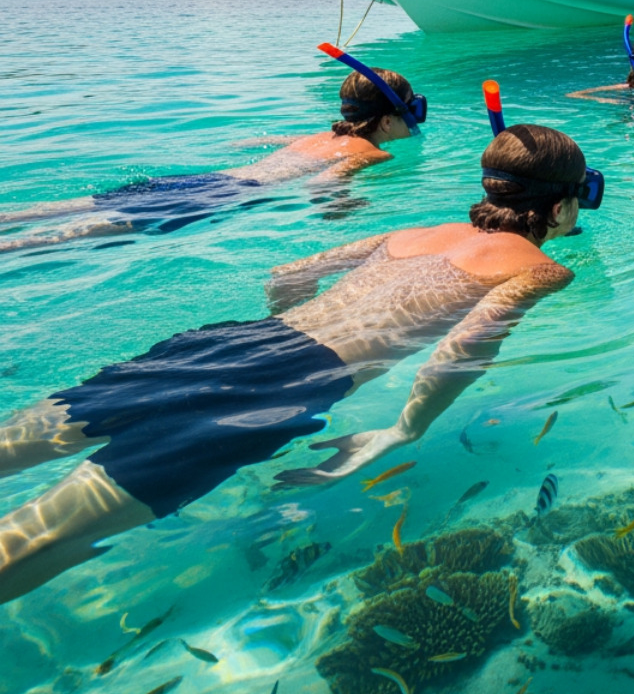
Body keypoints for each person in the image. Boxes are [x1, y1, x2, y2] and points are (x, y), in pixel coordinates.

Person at [0, 123, 601, 603]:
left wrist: (278, 338)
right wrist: (402, 430)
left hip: (221, 345)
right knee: (45, 539)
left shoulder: (413, 234)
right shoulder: (540, 269)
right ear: (559, 208)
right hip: (283, 386)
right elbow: (463, 349)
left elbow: (288, 273)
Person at [0, 50, 424, 252]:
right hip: (227, 195)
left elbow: (260, 142)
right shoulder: (371, 152)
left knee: (77, 207)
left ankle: (11, 218)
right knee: (95, 231)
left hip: (210, 179)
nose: (414, 124)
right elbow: (322, 185)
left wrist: (247, 144)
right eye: (412, 114)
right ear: (387, 121)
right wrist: (343, 209)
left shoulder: (321, 136)